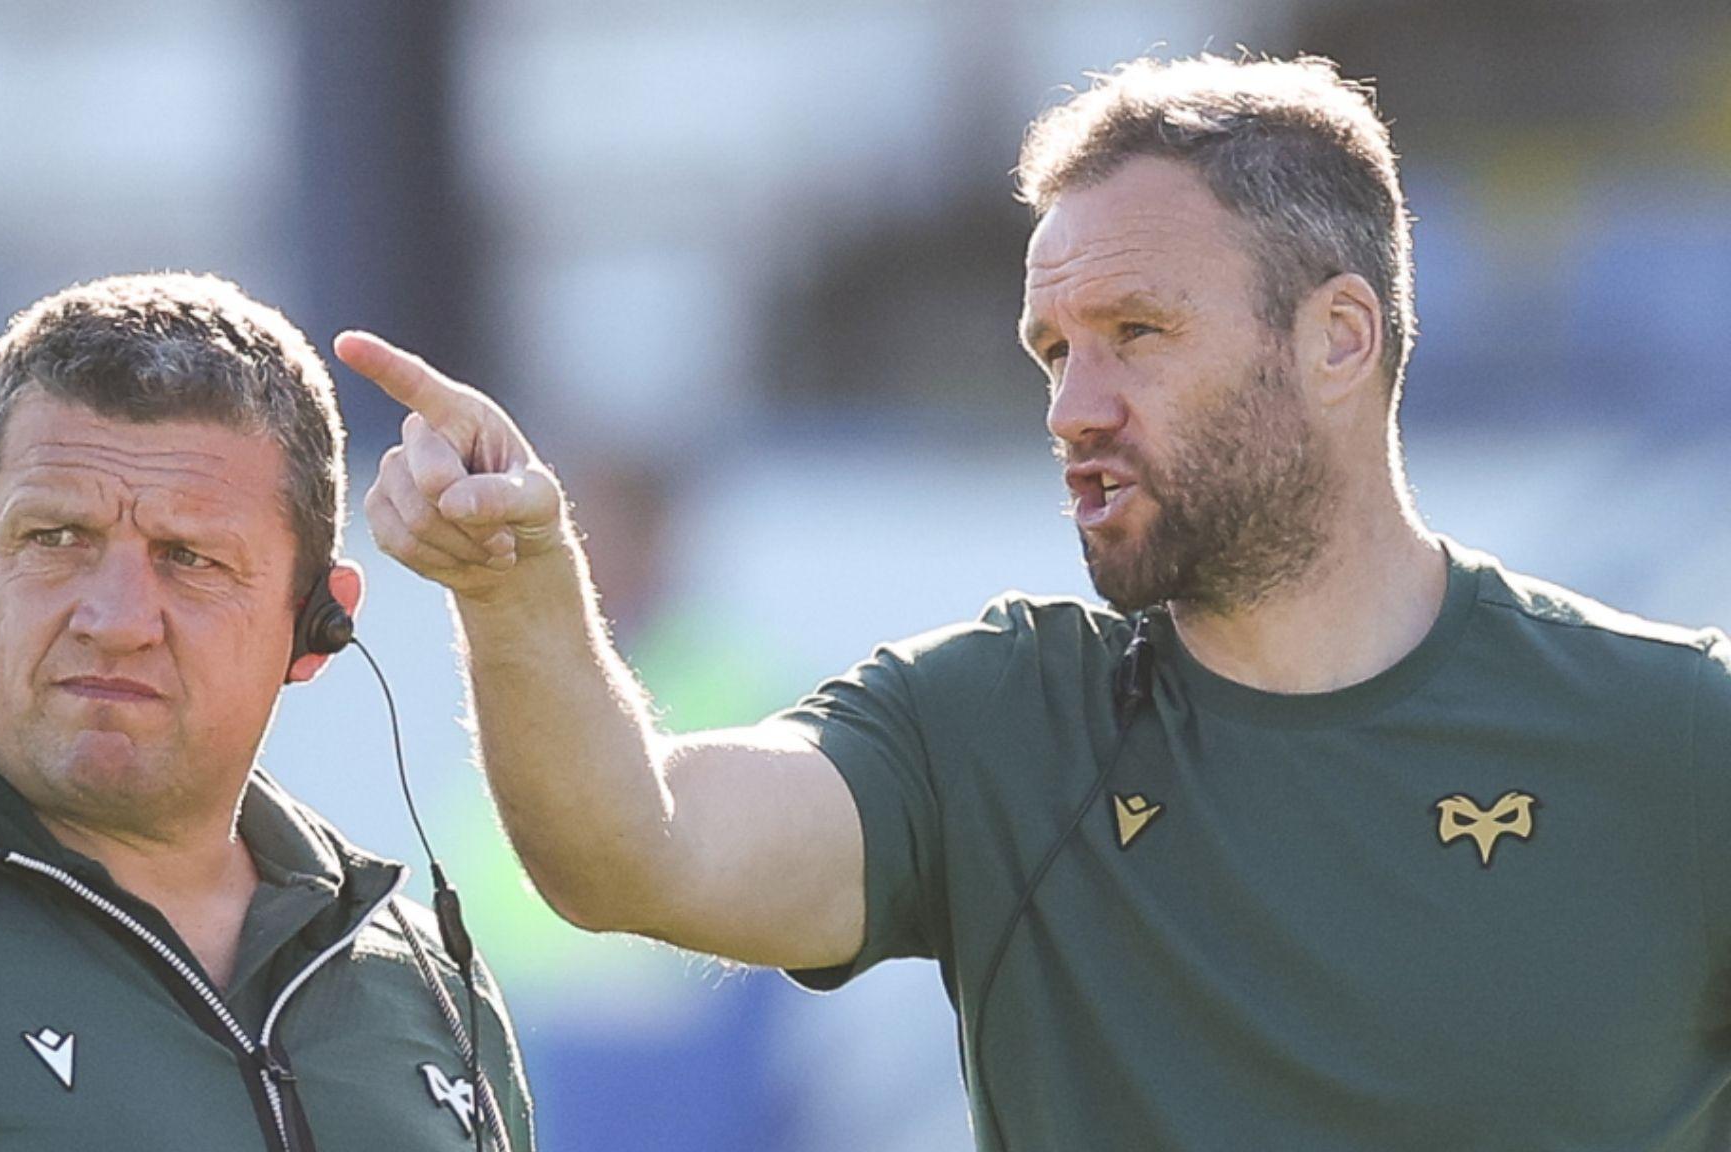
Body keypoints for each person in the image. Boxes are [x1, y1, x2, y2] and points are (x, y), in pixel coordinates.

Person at [340, 53, 1731, 1150]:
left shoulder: (1677, 733)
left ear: (1338, 339)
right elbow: (639, 850)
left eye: (1137, 334)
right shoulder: (997, 720)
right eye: (1052, 350)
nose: (1074, 407)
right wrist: (515, 590)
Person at [0, 273, 536, 1152]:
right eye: (55, 539)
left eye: (191, 557)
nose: (118, 619)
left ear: (317, 625)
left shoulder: (424, 981)